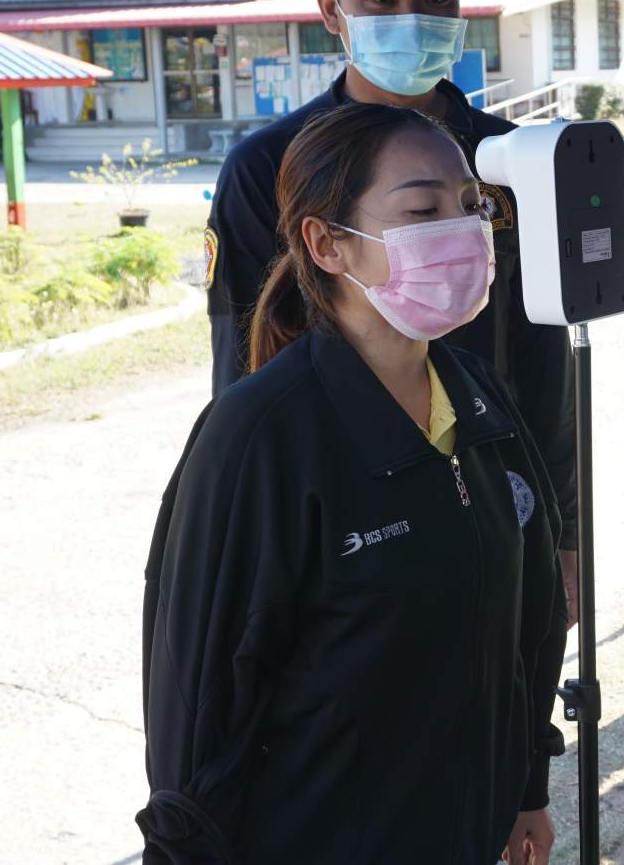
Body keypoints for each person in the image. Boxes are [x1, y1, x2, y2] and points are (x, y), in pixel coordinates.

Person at [139, 103, 565, 864]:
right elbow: (196, 699)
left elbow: (525, 615)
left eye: (473, 204)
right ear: (327, 243)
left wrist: (526, 782)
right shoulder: (259, 434)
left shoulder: (476, 393)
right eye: (423, 210)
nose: (465, 230)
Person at [203, 0, 581, 624]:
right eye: (382, 0)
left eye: (437, 0)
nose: (413, 21)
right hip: (340, 511)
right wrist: (251, 532)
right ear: (331, 9)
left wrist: (563, 527)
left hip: (495, 482)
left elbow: (544, 355)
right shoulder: (268, 169)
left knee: (507, 682)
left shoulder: (513, 160)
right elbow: (240, 366)